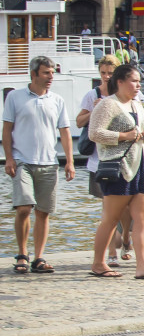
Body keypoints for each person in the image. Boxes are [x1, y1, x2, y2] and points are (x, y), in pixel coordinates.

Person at [88, 63, 144, 279]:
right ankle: (99, 263)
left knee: (143, 216)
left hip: (141, 166)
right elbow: (95, 133)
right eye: (133, 81)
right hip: (118, 167)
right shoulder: (107, 105)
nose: (138, 85)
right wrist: (123, 136)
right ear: (119, 82)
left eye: (139, 81)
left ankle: (143, 266)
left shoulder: (137, 105)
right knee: (111, 218)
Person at [3, 56, 74, 275]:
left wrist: (69, 161)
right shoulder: (15, 97)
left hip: (49, 162)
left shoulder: (57, 100)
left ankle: (39, 257)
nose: (51, 77)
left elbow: (64, 132)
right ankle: (22, 254)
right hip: (22, 160)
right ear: (34, 74)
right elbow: (7, 129)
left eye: (52, 72)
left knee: (43, 212)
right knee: (24, 207)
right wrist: (8, 157)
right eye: (46, 73)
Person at [78, 54, 133, 266]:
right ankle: (111, 252)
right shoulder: (92, 95)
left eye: (110, 74)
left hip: (124, 159)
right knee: (107, 210)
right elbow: (79, 121)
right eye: (103, 73)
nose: (106, 77)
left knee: (126, 208)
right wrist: (95, 109)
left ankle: (127, 238)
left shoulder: (127, 96)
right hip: (99, 161)